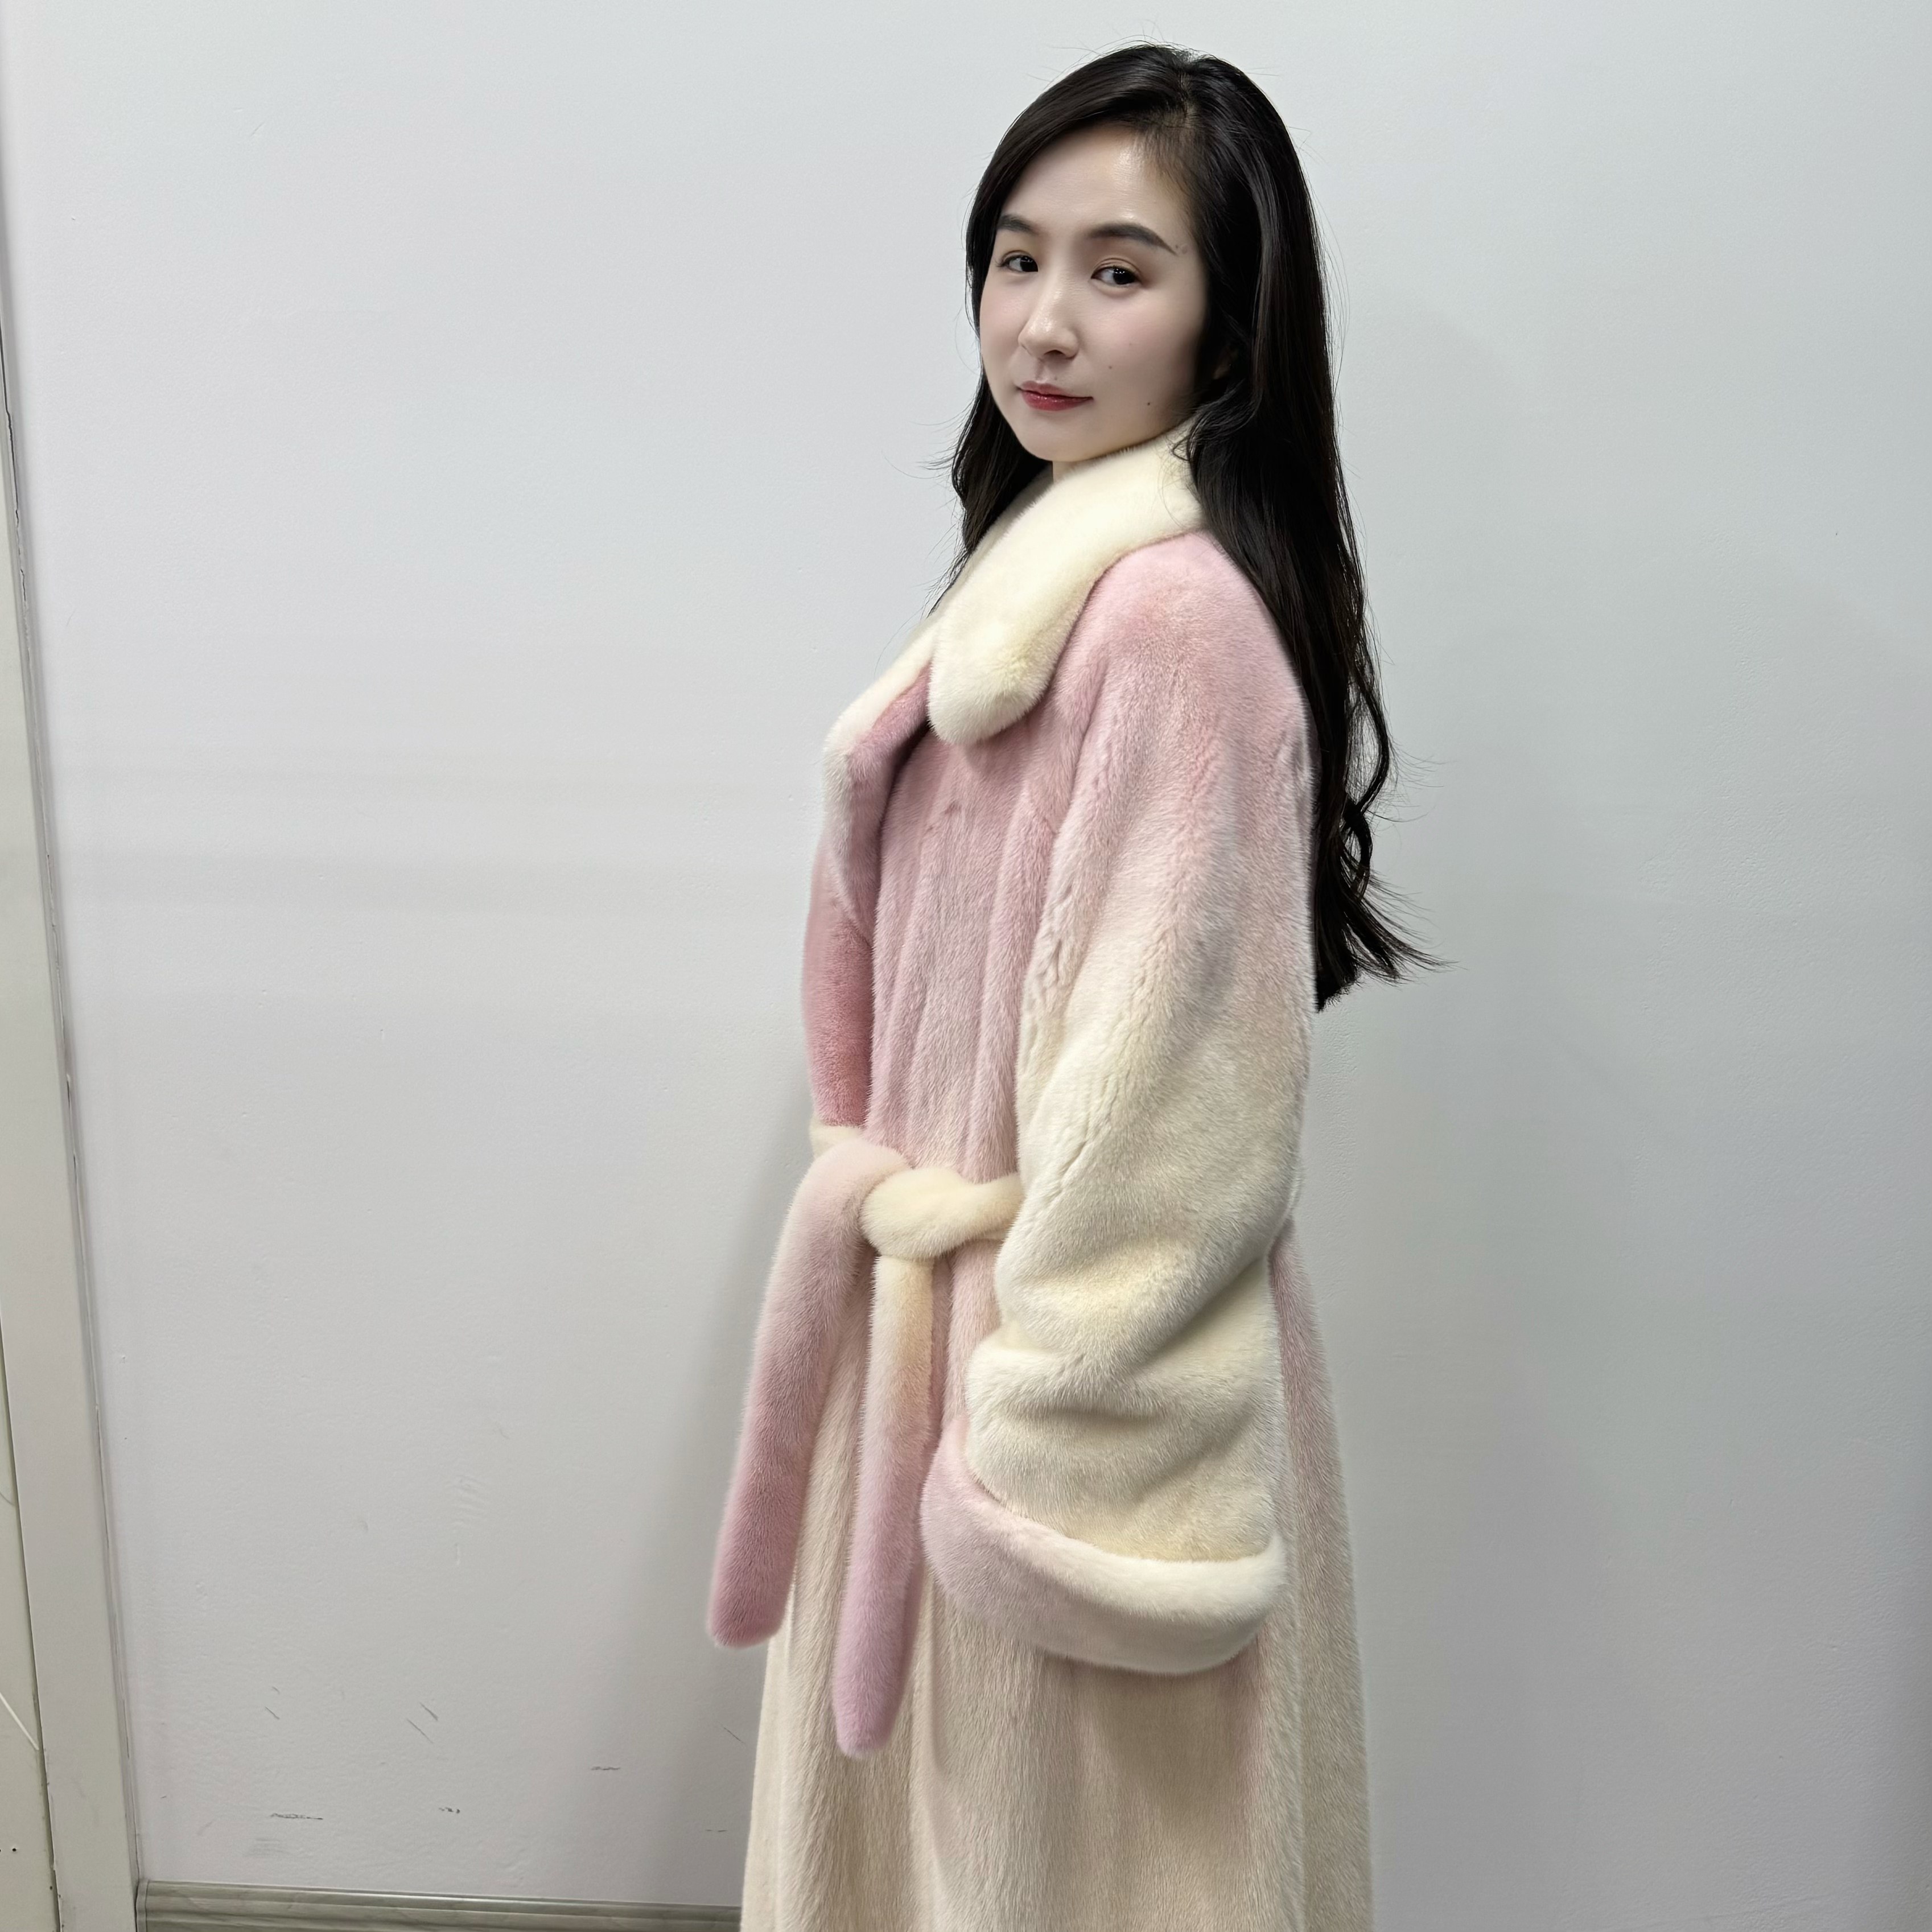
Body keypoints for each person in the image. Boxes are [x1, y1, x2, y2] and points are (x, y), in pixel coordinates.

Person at [708, 41, 1428, 1932]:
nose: (1041, 320)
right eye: (1015, 257)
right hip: (944, 1361)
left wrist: (1044, 1470)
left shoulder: (1173, 627)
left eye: (1118, 270)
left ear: (1227, 328)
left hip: (1074, 1418)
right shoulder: (1037, 573)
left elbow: (1171, 1118)